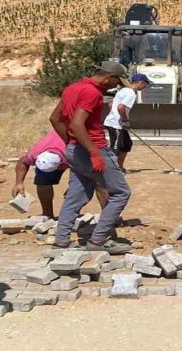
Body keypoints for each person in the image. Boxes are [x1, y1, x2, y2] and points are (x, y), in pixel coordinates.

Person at [50, 60, 134, 254]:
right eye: (116, 82)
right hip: (93, 148)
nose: (116, 86)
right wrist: (94, 152)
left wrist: (70, 143)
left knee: (76, 194)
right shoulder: (92, 93)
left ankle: (61, 240)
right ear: (108, 77)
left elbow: (55, 118)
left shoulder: (72, 88)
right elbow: (78, 124)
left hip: (75, 149)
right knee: (121, 192)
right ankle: (98, 239)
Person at [104, 73, 150, 170]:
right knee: (116, 147)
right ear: (141, 83)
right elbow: (121, 107)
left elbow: (110, 104)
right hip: (116, 125)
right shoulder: (131, 93)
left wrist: (114, 115)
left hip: (116, 123)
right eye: (146, 84)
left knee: (126, 144)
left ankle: (119, 167)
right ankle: (110, 170)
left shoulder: (123, 90)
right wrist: (125, 120)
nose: (146, 87)